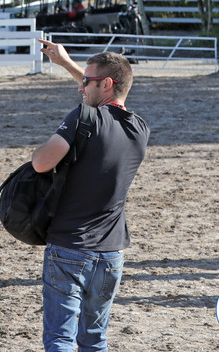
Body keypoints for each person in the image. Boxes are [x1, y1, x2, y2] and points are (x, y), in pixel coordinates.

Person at [31, 38, 150, 352]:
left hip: (70, 247)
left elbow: (42, 162)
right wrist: (68, 64)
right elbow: (101, 102)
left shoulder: (82, 118)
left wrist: (36, 152)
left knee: (60, 339)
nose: (80, 88)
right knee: (95, 339)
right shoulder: (140, 130)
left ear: (107, 83)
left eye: (87, 81)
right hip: (111, 255)